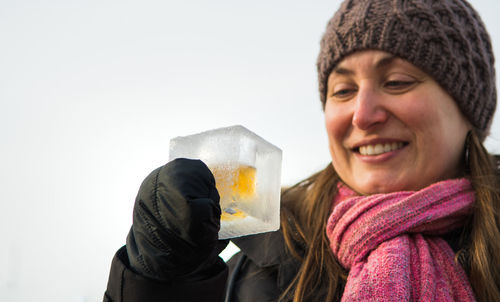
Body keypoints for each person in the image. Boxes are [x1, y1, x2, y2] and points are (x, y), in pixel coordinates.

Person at [103, 0, 500, 301]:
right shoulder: (266, 263)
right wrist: (162, 277)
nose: (362, 115)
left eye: (396, 82)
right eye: (342, 91)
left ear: (468, 108)